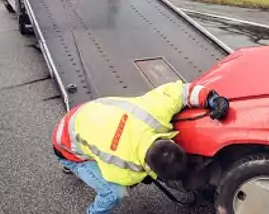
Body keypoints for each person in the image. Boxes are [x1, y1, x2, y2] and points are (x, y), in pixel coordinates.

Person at [52, 80, 230, 214]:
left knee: (95, 146)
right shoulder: (122, 167)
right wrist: (145, 175)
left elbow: (179, 91)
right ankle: (75, 174)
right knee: (114, 193)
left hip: (86, 113)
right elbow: (123, 179)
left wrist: (210, 97)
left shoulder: (153, 112)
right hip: (65, 143)